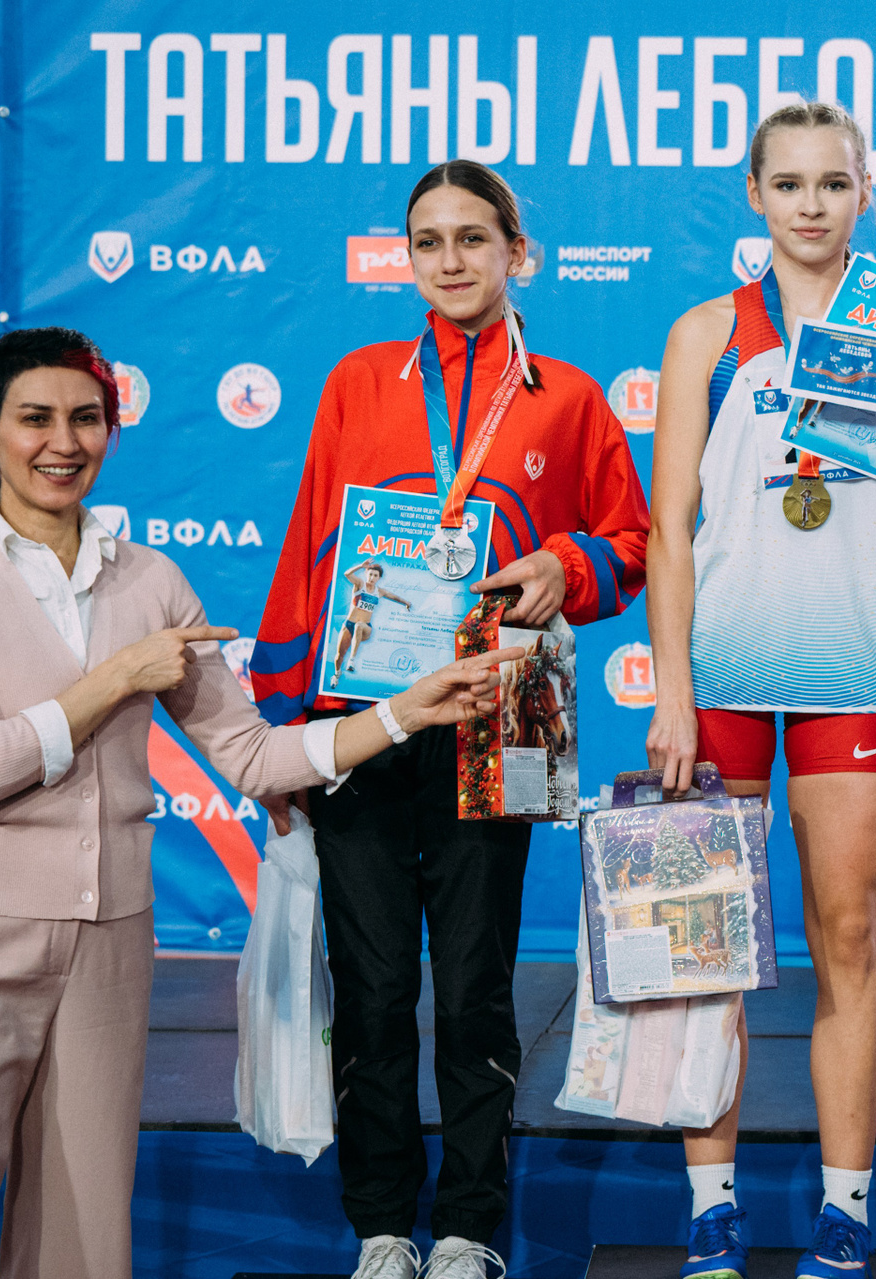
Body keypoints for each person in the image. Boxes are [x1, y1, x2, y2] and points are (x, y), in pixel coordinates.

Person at [0, 327, 517, 1279]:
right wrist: (116, 678)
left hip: (108, 945)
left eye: (86, 419)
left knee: (82, 1246)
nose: (63, 442)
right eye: (35, 419)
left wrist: (401, 711)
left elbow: (255, 756)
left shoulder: (150, 579)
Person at [253, 160, 649, 1279]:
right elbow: (309, 550)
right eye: (428, 241)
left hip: (501, 718)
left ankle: (470, 1227)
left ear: (517, 252)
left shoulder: (568, 398)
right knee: (373, 988)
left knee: (475, 986)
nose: (450, 260)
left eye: (473, 238)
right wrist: (283, 732)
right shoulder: (358, 382)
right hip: (368, 721)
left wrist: (566, 564)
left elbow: (631, 542)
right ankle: (384, 1225)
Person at [643, 101, 876, 1279]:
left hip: (850, 666)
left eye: (833, 184)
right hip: (726, 677)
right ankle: (711, 1208)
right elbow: (669, 532)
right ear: (754, 194)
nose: (810, 204)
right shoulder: (705, 334)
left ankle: (846, 1207)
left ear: (863, 193)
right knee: (709, 953)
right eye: (787, 183)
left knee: (848, 937)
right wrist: (673, 691)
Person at [332, 561, 412, 678]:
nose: (372, 578)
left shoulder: (379, 591)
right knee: (339, 655)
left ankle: (352, 660)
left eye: (375, 576)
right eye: (370, 574)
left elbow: (394, 597)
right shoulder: (360, 584)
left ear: (379, 578)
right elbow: (347, 574)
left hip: (365, 627)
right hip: (349, 625)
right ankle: (337, 674)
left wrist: (406, 603)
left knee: (359, 625)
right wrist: (360, 566)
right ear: (366, 574)